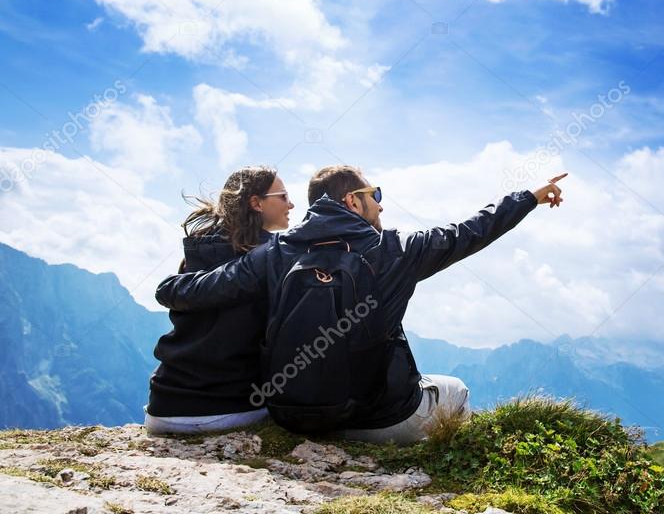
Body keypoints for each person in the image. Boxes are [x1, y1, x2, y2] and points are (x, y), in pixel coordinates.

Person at [155, 165, 567, 444]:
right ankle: (454, 462)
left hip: (291, 414)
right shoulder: (398, 249)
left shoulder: (275, 251)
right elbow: (471, 232)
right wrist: (528, 197)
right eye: (376, 194)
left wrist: (171, 284)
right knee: (456, 390)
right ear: (353, 201)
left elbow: (205, 288)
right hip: (376, 417)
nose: (382, 203)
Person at [145, 166, 295, 434]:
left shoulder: (196, 253)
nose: (291, 204)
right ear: (256, 203)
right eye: (283, 196)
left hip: (162, 408)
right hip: (226, 409)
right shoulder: (275, 260)